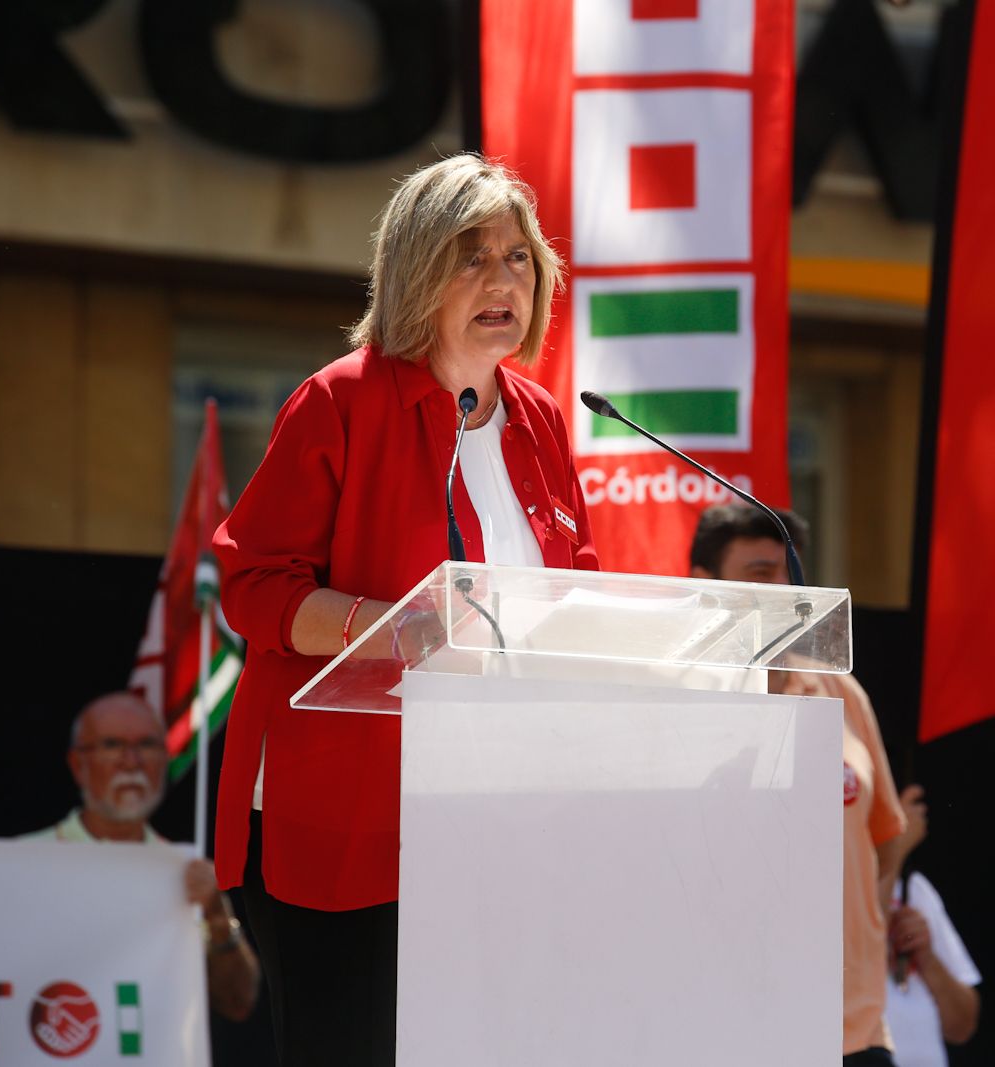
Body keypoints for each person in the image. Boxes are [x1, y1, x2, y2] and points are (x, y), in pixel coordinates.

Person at [212, 153, 597, 1066]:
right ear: (417, 270)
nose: (502, 280)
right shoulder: (339, 400)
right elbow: (253, 585)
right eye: (472, 257)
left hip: (497, 812)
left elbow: (575, 588)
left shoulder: (542, 421)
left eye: (516, 257)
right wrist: (390, 628)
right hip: (343, 818)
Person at [689, 504, 906, 1066]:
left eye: (789, 572)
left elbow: (884, 842)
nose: (783, 589)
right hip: (735, 1029)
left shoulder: (841, 693)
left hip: (854, 1030)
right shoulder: (683, 706)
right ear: (703, 588)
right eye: (761, 575)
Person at [0, 692, 261, 1022]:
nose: (131, 760)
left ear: (165, 760)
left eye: (148, 745)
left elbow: (238, 1003)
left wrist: (218, 919)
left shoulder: (186, 877)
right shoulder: (21, 865)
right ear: (78, 764)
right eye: (112, 745)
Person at [884, 784, 981, 1067]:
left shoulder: (916, 889)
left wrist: (926, 956)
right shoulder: (824, 885)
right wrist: (894, 849)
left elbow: (963, 1025)